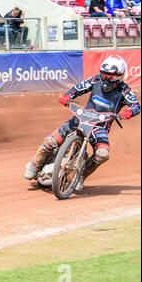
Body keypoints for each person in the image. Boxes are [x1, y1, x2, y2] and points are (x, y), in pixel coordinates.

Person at [24, 56, 140, 191]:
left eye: (112, 77)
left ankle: (80, 176)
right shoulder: (95, 80)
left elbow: (136, 106)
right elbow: (78, 88)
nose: (107, 79)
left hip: (100, 127)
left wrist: (127, 113)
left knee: (102, 154)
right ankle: (35, 165)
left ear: (120, 76)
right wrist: (67, 97)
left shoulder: (125, 90)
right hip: (81, 118)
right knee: (51, 141)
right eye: (105, 74)